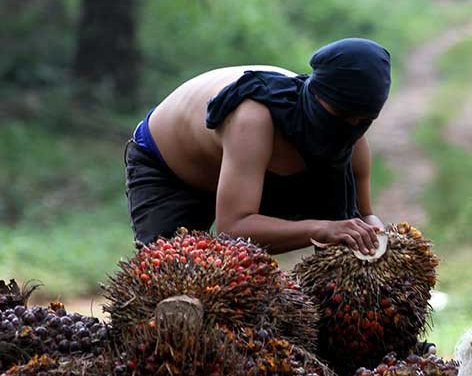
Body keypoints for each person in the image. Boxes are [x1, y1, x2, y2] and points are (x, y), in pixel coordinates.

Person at [124, 38, 391, 256]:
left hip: (243, 175)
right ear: (317, 94)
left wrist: (380, 239)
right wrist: (322, 229)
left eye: (364, 120)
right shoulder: (253, 118)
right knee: (173, 277)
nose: (350, 126)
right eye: (342, 114)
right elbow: (232, 230)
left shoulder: (350, 138)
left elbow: (362, 216)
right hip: (171, 168)